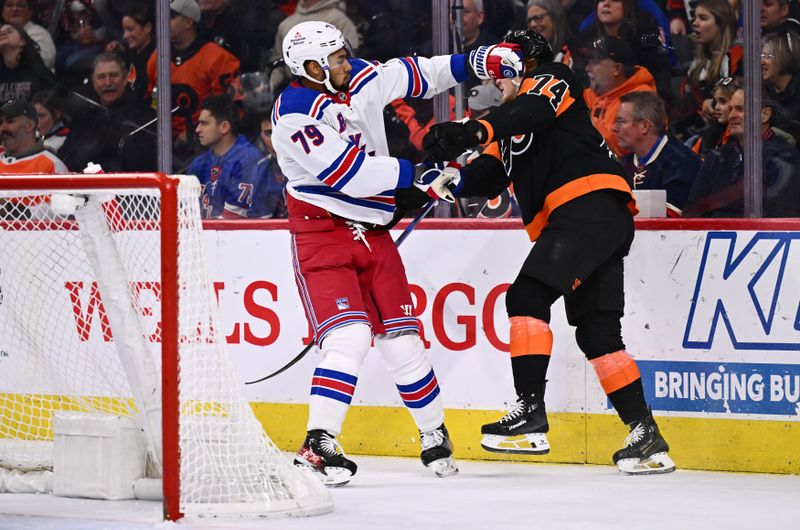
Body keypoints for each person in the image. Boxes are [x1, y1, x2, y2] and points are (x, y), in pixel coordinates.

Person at [273, 20, 523, 485]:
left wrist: (479, 60)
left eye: (343, 55)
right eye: (335, 60)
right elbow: (352, 175)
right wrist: (420, 175)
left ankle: (434, 435)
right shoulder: (294, 115)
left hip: (374, 231)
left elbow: (419, 73)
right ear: (309, 68)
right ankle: (318, 442)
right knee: (349, 338)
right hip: (322, 232)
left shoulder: (359, 77)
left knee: (402, 339)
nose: (346, 63)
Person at [422, 29, 675, 475]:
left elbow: (532, 111)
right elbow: (493, 170)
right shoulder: (511, 118)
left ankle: (530, 413)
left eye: (502, 70)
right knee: (598, 333)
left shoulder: (551, 79)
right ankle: (645, 435)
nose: (496, 80)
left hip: (587, 208)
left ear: (522, 64)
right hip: (593, 220)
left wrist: (475, 128)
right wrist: (454, 179)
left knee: (526, 297)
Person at [684, 88, 800, 217]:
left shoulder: (786, 158)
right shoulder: (715, 158)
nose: (731, 116)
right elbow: (691, 212)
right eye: (731, 109)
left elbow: (780, 218)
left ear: (764, 115)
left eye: (740, 109)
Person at [145, 0, 240, 150]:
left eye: (170, 18)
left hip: (207, 143)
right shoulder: (156, 58)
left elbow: (226, 110)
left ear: (188, 22)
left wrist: (193, 131)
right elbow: (152, 102)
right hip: (164, 141)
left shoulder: (218, 58)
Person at [59, 52, 156, 172]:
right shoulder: (83, 115)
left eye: (114, 75)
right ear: (94, 82)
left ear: (126, 79)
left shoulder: (142, 114)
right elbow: (67, 155)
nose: (108, 82)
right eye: (101, 77)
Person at [188, 95, 280, 219]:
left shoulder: (249, 159)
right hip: (208, 235)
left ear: (224, 127)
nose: (197, 130)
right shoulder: (199, 163)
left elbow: (231, 219)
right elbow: (185, 212)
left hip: (249, 236)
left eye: (204, 123)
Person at [574, 0, 673, 108]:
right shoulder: (587, 34)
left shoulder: (645, 27)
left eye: (615, 0)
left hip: (641, 101)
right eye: (601, 0)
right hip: (598, 102)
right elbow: (582, 78)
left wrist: (659, 102)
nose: (606, 4)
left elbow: (659, 70)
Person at [615, 91, 700, 213]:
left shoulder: (682, 163)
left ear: (645, 126)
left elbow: (670, 219)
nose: (614, 128)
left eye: (621, 122)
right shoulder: (623, 163)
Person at [582, 36, 657, 157]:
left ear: (617, 69)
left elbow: (624, 147)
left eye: (594, 62)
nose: (587, 68)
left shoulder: (642, 98)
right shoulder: (595, 93)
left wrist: (586, 125)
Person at [269, 0, 360, 92]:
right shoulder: (286, 24)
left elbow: (351, 59)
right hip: (296, 89)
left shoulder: (339, 20)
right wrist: (268, 86)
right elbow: (278, 65)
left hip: (335, 89)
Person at [0, 99, 68, 219]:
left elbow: (64, 211)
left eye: (10, 121)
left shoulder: (52, 164)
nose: (3, 128)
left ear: (30, 125)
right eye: (1, 122)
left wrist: (16, 212)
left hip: (33, 235)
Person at [105, 5, 155, 102]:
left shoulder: (157, 58)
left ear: (147, 27)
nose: (125, 35)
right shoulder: (127, 52)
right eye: (124, 30)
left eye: (130, 29)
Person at [0, 22, 56, 102]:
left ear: (22, 41)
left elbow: (59, 97)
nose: (2, 33)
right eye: (0, 33)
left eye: (9, 31)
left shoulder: (38, 71)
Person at [761, 30, 800, 144]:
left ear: (784, 57)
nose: (761, 61)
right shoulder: (763, 92)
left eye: (767, 56)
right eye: (761, 55)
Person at [1, 0, 55, 70]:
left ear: (30, 12)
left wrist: (12, 52)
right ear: (2, 12)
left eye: (20, 6)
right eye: (9, 5)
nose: (14, 9)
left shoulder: (39, 33)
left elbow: (46, 61)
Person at [526, 0, 572, 67]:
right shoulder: (530, 57)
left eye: (538, 18)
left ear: (555, 16)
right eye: (529, 20)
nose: (532, 24)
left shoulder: (574, 51)